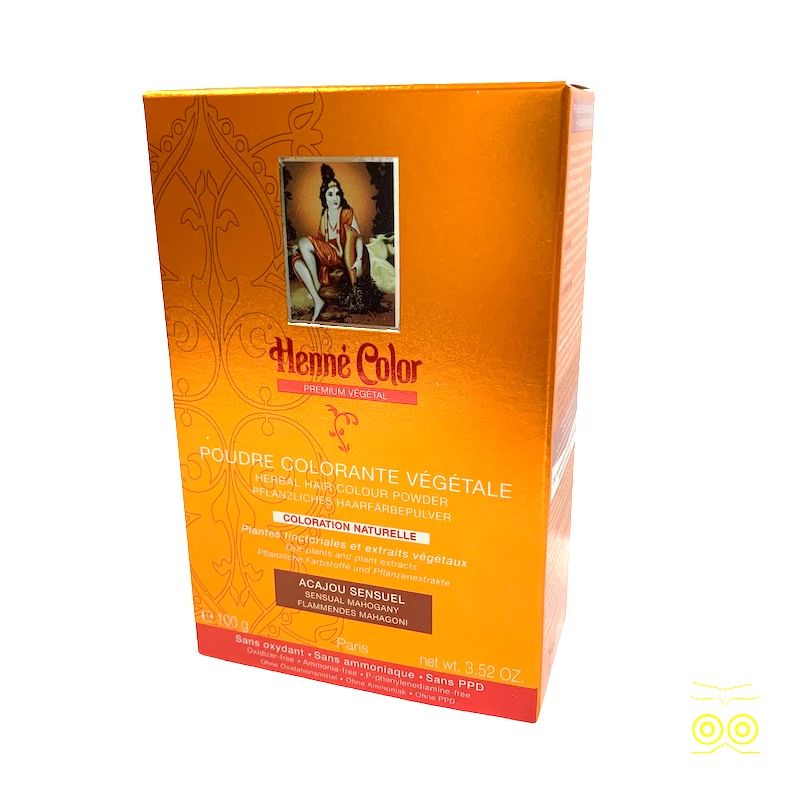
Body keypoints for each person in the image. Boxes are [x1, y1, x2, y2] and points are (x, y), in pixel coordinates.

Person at [291, 164, 368, 322]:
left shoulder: (347, 212)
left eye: (337, 194)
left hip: (342, 258)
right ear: (324, 198)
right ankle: (317, 298)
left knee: (304, 242)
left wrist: (359, 260)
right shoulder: (324, 215)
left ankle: (316, 285)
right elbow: (320, 241)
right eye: (330, 194)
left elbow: (358, 238)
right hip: (327, 258)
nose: (335, 198)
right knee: (297, 261)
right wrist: (300, 247)